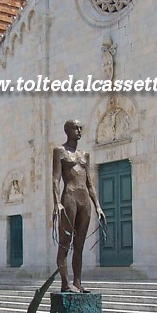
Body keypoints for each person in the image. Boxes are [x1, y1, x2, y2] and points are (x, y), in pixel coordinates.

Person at [52, 119, 106, 293]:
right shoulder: (60, 151)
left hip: (85, 201)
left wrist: (98, 206)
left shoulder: (85, 155)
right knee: (65, 243)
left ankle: (77, 282)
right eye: (75, 128)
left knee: (80, 245)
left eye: (80, 127)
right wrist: (57, 203)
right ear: (67, 130)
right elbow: (55, 179)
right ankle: (64, 283)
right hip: (69, 198)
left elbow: (90, 183)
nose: (79, 130)